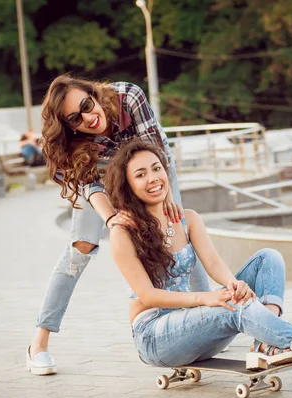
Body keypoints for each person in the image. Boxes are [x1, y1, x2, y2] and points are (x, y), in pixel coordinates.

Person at [104, 140, 292, 397]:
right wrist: (207, 298)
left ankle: (265, 344)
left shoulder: (186, 219)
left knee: (268, 258)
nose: (153, 178)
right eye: (140, 174)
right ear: (128, 185)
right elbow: (148, 295)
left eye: (156, 169)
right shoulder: (123, 232)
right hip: (156, 337)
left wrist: (232, 284)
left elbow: (213, 263)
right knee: (234, 307)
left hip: (195, 325)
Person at [26, 75, 212, 375]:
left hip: (150, 161)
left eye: (87, 105)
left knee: (176, 225)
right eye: (76, 118)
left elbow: (154, 157)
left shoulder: (129, 97)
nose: (89, 117)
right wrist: (112, 219)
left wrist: (156, 209)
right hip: (103, 175)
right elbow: (88, 186)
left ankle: (204, 317)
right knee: (80, 248)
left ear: (93, 93)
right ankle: (39, 344)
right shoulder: (71, 142)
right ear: (69, 126)